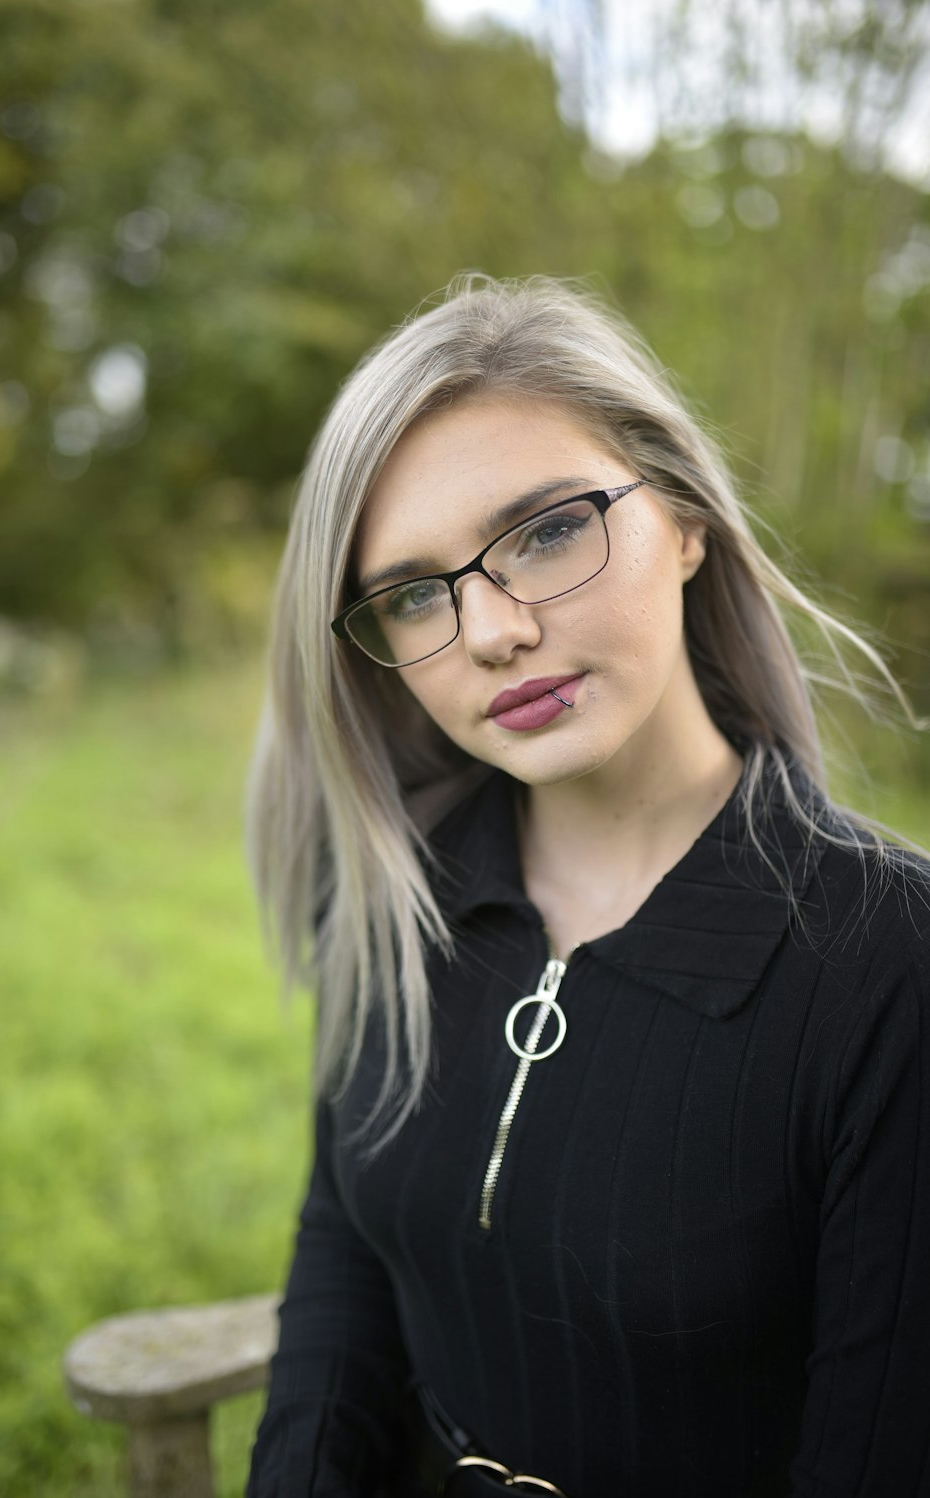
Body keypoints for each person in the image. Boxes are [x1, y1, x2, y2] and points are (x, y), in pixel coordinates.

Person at [243, 275, 930, 1497]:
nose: (494, 630)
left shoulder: (890, 963)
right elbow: (344, 1264)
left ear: (683, 520)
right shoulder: (399, 895)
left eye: (549, 528)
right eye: (413, 593)